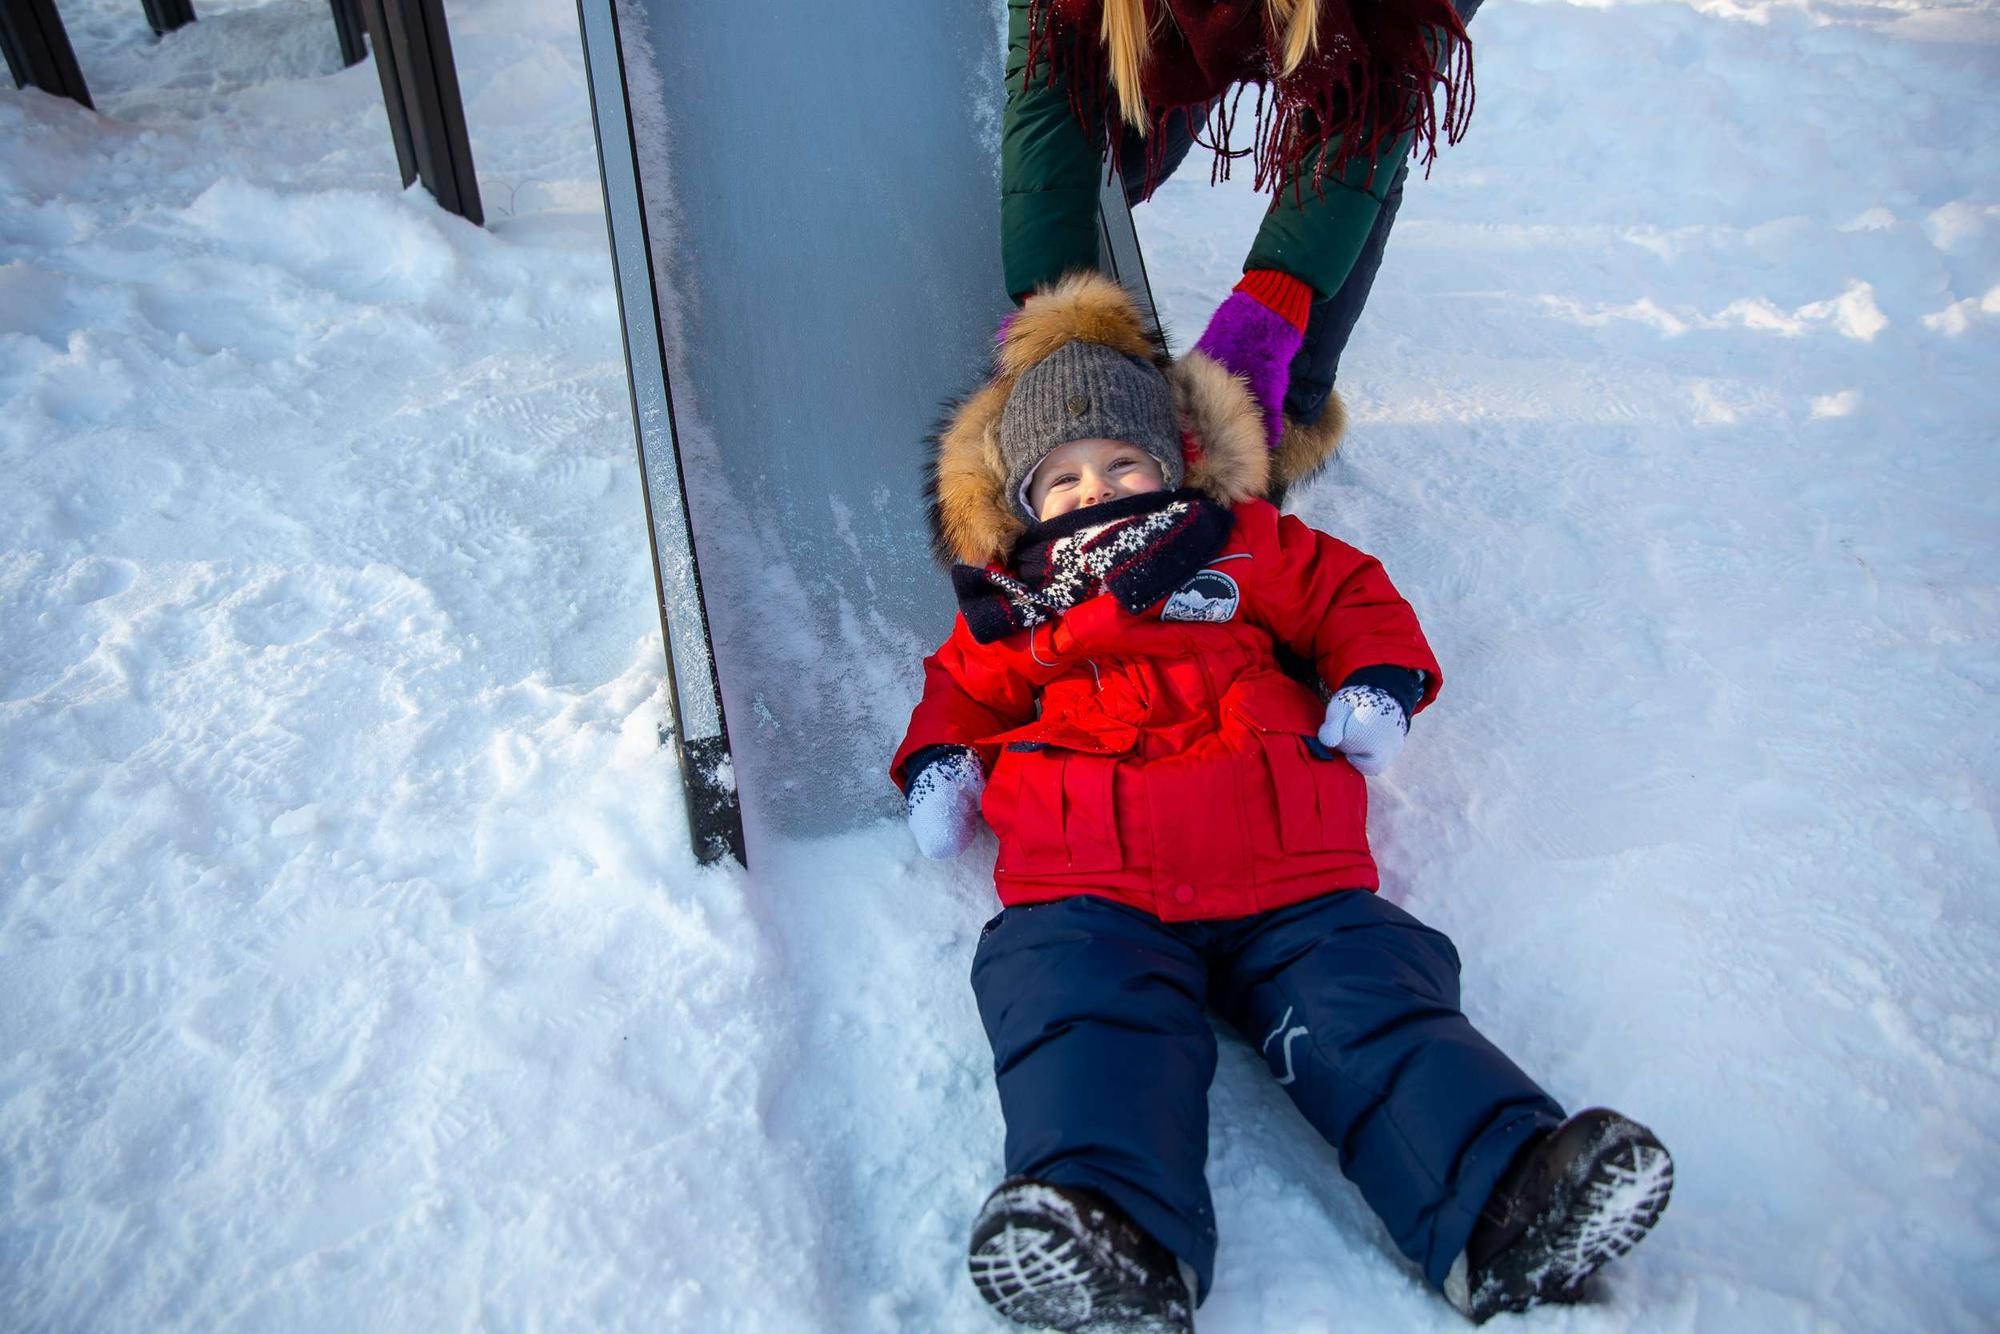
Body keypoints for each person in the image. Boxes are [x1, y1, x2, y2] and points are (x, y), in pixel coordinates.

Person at [892, 273, 1673, 1331]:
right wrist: (939, 760)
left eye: (1122, 461)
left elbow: (1350, 594)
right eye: (1063, 477)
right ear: (1023, 502)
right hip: (1089, 885)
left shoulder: (1239, 543)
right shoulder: (1011, 608)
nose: (1096, 487)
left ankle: (1500, 1198)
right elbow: (958, 690)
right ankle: (1111, 1229)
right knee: (1078, 1016)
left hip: (1287, 873)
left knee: (1373, 1013)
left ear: (1174, 463)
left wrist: (1375, 677)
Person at [1002, 0, 1481, 495]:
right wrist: (1057, 316)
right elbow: (1050, 93)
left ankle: (1286, 404)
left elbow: (1369, 109)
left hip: (1360, 40)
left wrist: (1269, 316)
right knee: (1128, 146)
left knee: (1363, 147)